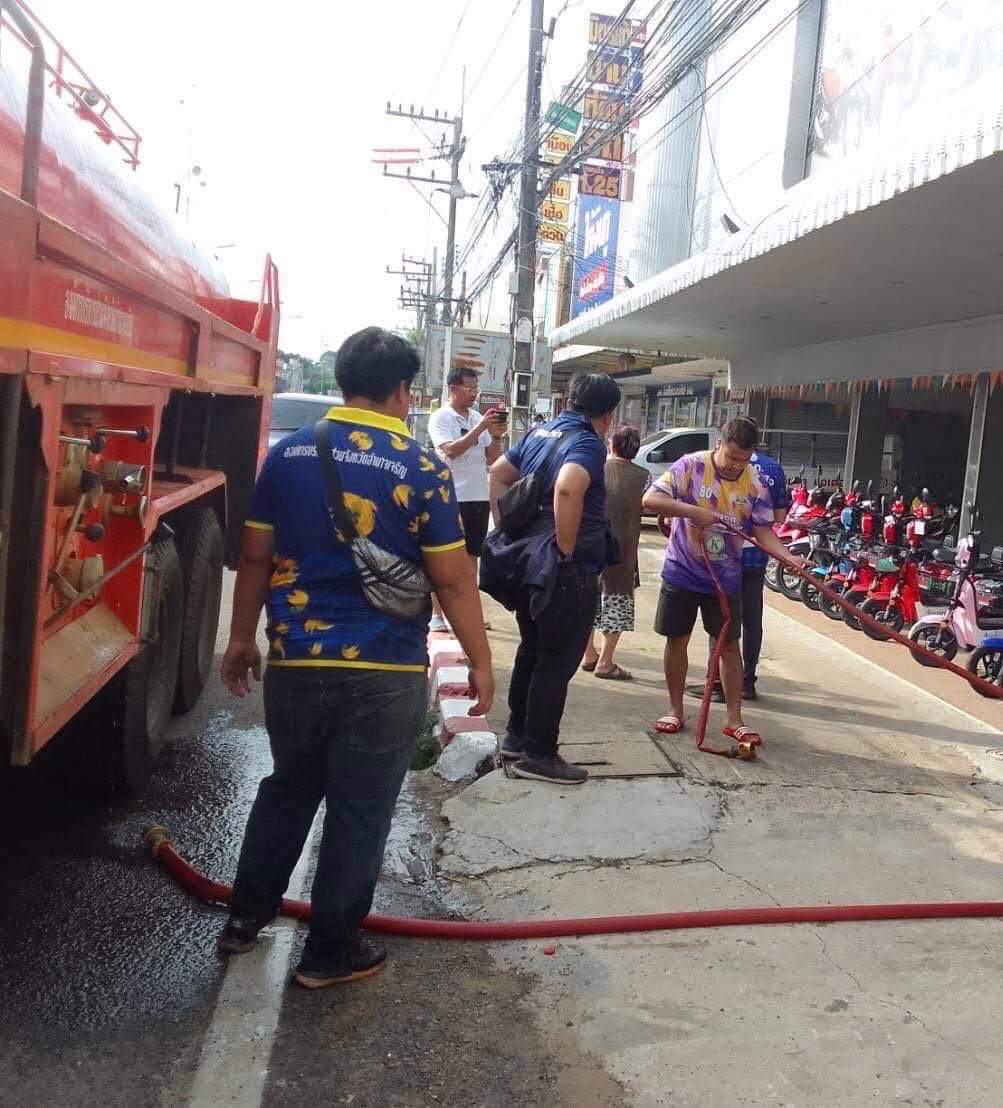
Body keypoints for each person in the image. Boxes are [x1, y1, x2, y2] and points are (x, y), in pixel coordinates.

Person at [218, 327, 493, 989]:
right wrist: (481, 663)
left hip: (295, 664)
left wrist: (241, 637)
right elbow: (453, 580)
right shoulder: (421, 467)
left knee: (288, 789)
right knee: (360, 809)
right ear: (402, 390)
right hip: (384, 670)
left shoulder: (287, 456)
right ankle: (330, 953)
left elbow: (254, 557)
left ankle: (243, 920)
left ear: (344, 382)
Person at [486, 372, 622, 784]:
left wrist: (508, 527)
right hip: (564, 569)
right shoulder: (587, 443)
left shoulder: (541, 432)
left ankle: (516, 737)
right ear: (608, 415)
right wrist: (565, 548)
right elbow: (567, 488)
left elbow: (498, 473)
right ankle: (539, 754)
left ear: (571, 402)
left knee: (532, 648)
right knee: (557, 659)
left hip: (529, 562)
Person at [641, 415, 797, 748]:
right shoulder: (690, 466)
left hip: (725, 579)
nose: (736, 466)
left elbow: (763, 531)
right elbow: (650, 500)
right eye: (731, 457)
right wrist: (691, 511)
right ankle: (675, 710)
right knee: (677, 640)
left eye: (744, 460)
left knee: (728, 646)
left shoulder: (755, 482)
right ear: (719, 444)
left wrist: (788, 557)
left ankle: (734, 719)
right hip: (682, 570)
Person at [701, 440, 790, 702]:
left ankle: (717, 683)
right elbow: (780, 518)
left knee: (722, 619)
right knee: (752, 620)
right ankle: (747, 682)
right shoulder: (772, 469)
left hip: (724, 555)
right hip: (755, 557)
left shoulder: (719, 465)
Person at [427, 368, 507, 632]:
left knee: (472, 558)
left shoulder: (475, 417)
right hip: (450, 496)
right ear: (453, 388)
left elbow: (491, 457)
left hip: (477, 497)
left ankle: (468, 615)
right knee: (443, 557)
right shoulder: (441, 417)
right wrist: (481, 427)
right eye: (469, 388)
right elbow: (451, 450)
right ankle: (438, 615)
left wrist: (496, 434)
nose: (474, 393)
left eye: (476, 389)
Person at [582, 424, 648, 680]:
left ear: (611, 444)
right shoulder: (644, 476)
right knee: (617, 600)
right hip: (625, 550)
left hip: (593, 544)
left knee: (590, 598)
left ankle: (589, 653)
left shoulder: (595, 469)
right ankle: (606, 660)